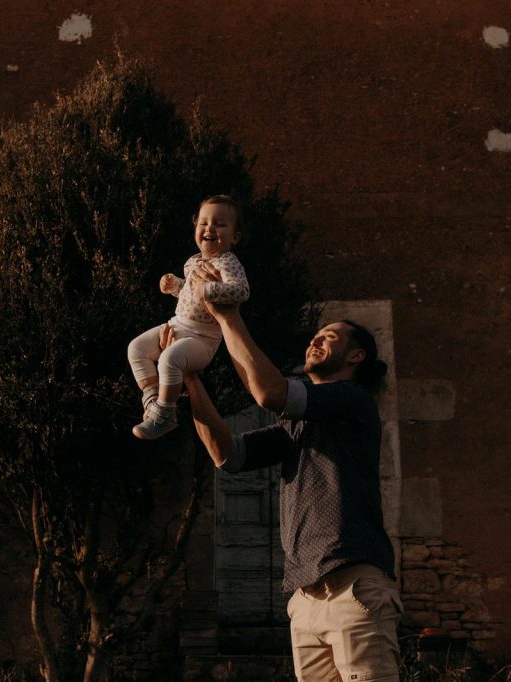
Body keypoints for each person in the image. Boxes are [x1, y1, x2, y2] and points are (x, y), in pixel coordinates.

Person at [177, 277, 401, 682]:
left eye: (329, 337)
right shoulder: (297, 428)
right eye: (314, 336)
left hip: (353, 588)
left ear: (356, 355)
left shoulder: (352, 401)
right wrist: (189, 380)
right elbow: (227, 455)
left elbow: (268, 393)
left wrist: (227, 314)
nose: (316, 341)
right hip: (305, 598)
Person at [126, 195, 249, 440]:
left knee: (169, 359)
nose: (210, 228)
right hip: (177, 324)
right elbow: (190, 294)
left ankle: (166, 414)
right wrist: (175, 286)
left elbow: (241, 291)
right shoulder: (193, 262)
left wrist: (209, 290)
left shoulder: (228, 262)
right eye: (203, 223)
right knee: (136, 348)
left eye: (220, 224)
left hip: (203, 339)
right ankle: (152, 403)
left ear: (235, 237)